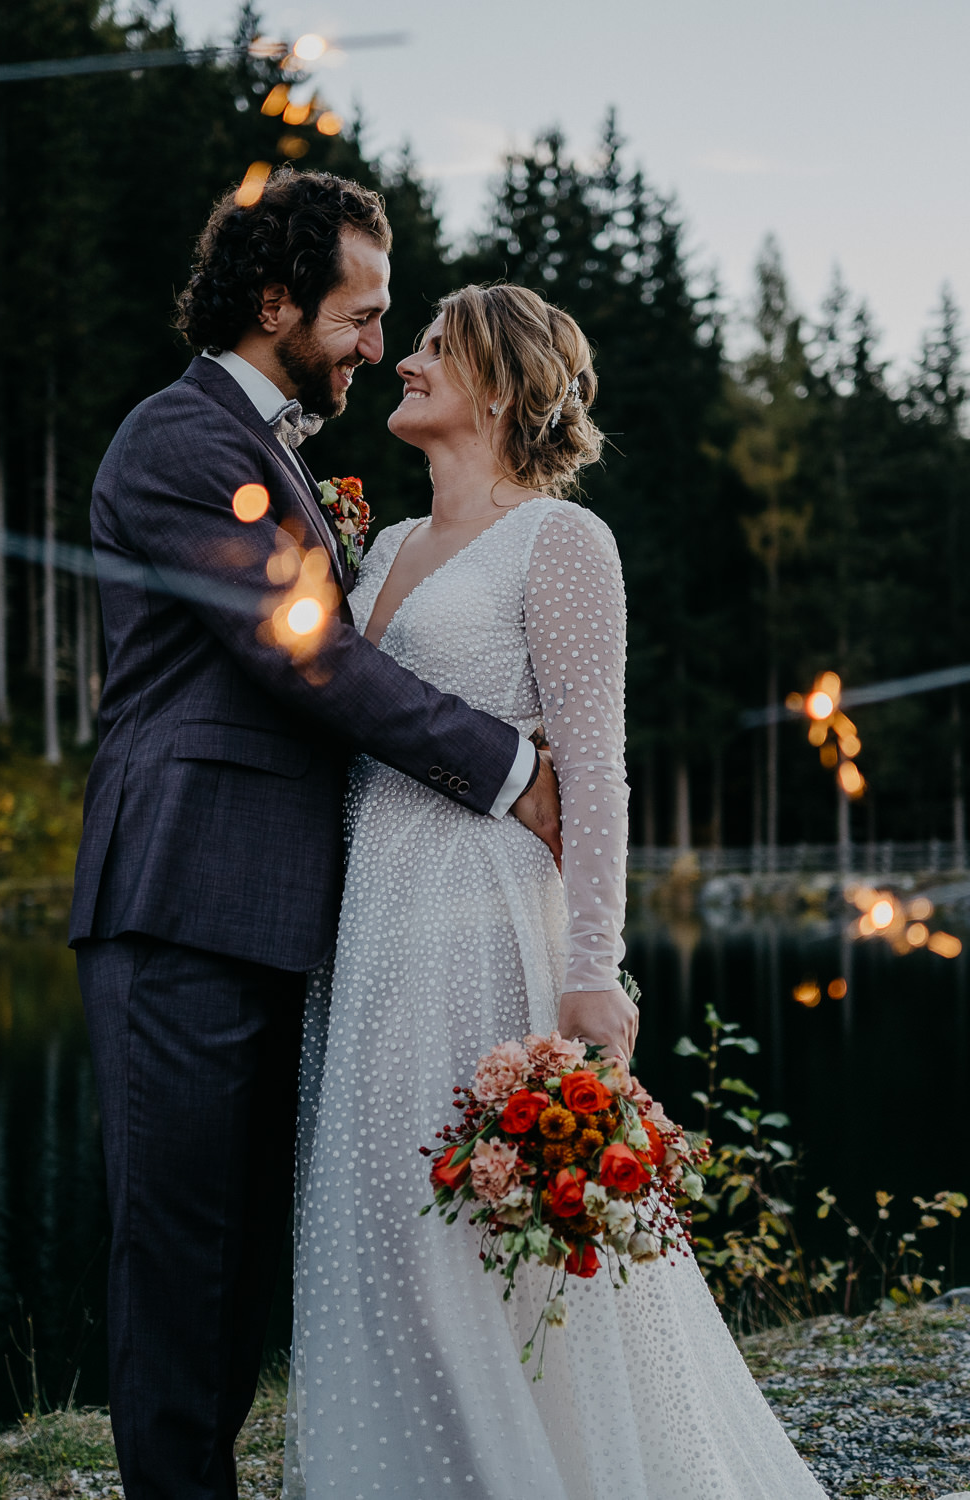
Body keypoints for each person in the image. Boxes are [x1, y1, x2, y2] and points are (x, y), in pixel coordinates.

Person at [282, 283, 828, 1499]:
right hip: (370, 917)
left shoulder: (562, 541)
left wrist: (592, 967)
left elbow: (596, 770)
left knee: (484, 1233)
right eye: (409, 343)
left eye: (432, 349)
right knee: (383, 1226)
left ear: (499, 385)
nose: (404, 362)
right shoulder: (374, 552)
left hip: (482, 914)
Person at [69, 170, 561, 1500]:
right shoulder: (182, 441)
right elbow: (312, 662)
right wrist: (510, 766)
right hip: (181, 897)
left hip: (271, 912)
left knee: (231, 1272)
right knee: (178, 1269)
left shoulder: (271, 450)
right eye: (359, 315)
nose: (372, 344)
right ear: (276, 303)